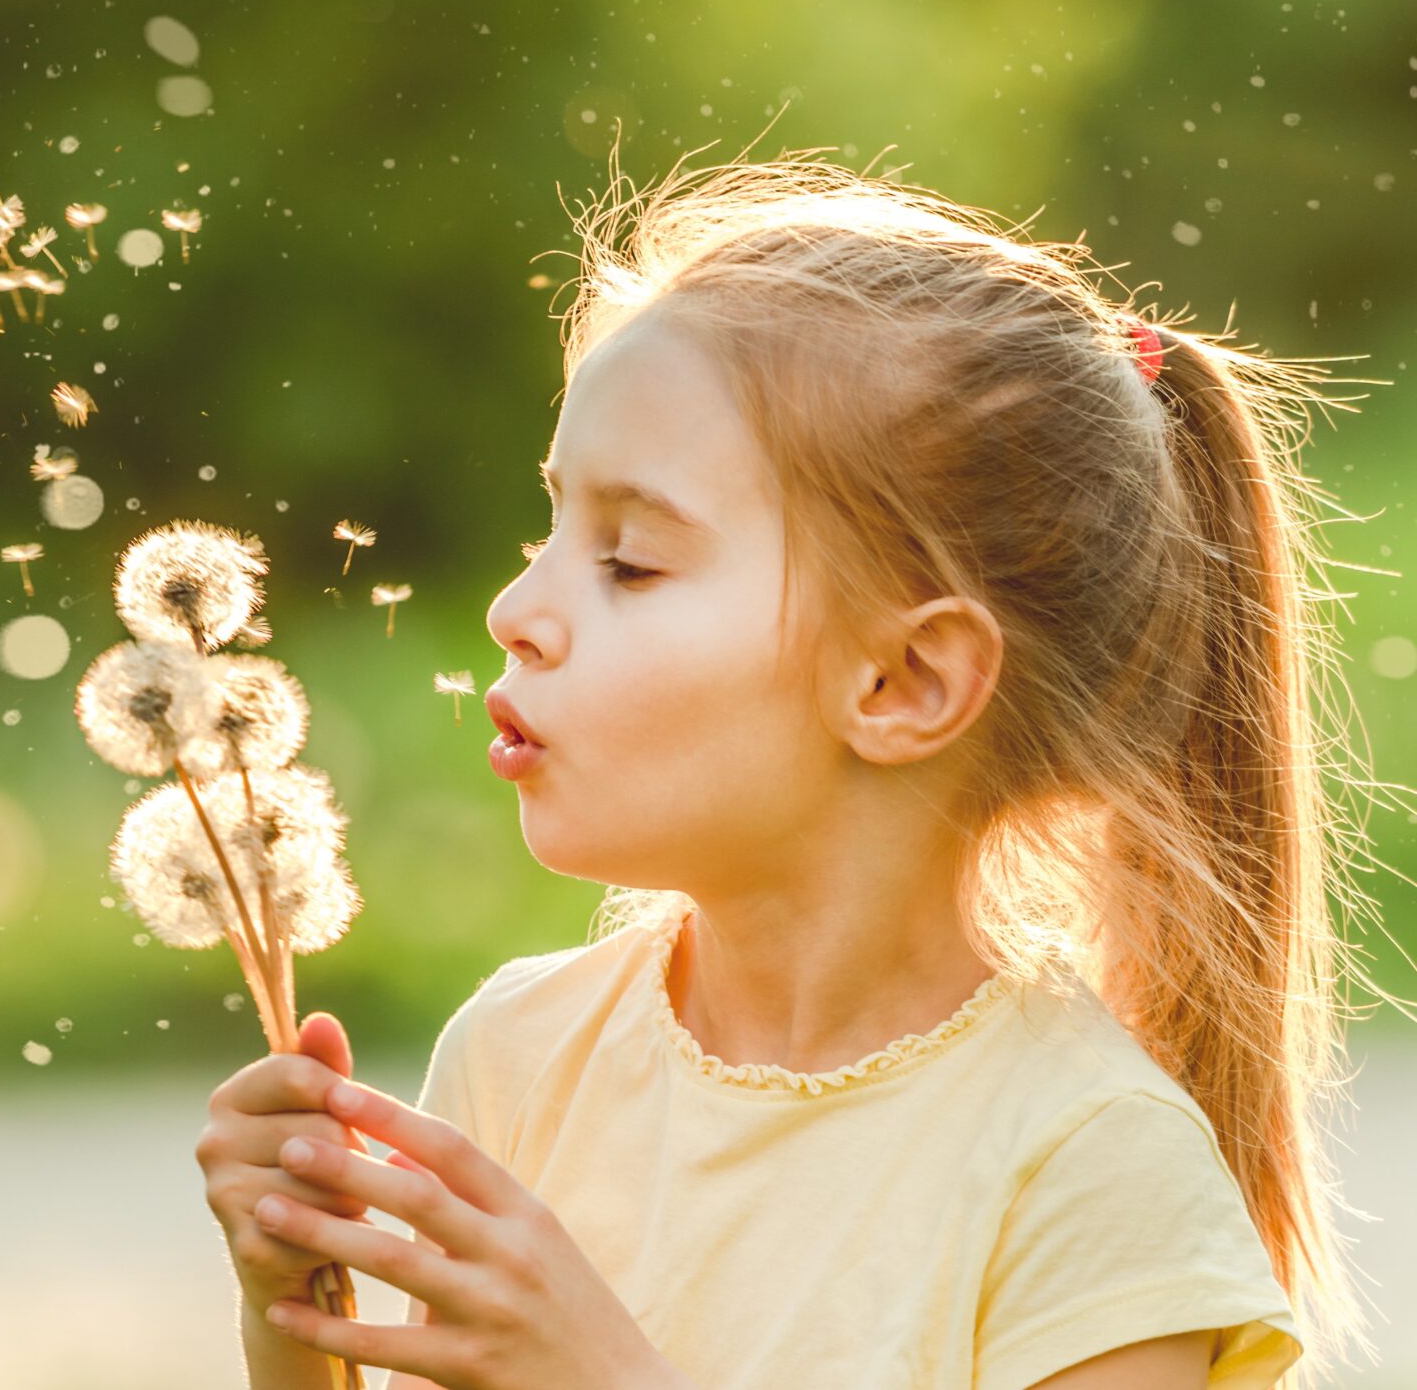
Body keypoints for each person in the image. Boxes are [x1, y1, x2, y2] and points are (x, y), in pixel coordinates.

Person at [194, 146, 1388, 1389]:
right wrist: (290, 1311)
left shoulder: (1087, 1161)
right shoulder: (520, 1054)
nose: (514, 610)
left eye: (632, 560)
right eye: (546, 524)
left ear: (903, 683)